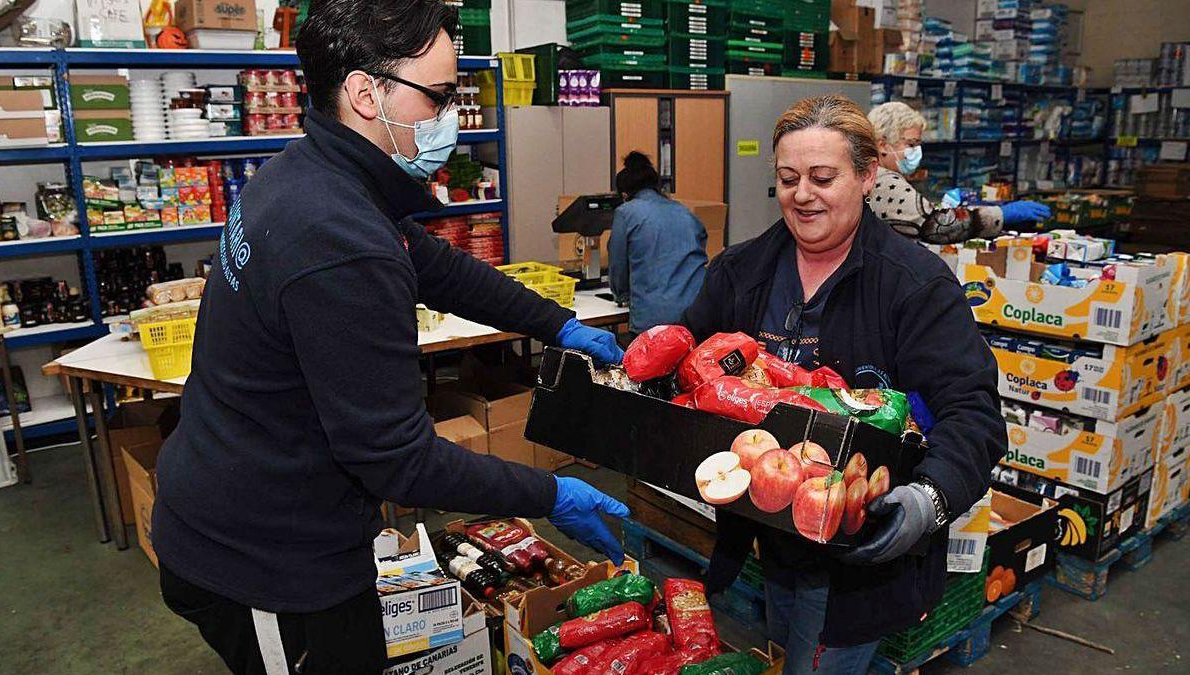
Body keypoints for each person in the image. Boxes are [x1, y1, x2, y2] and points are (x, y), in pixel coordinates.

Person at [152, 2, 628, 673]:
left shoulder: (310, 170)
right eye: (438, 96)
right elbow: (398, 460)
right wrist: (551, 494)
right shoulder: (337, 237)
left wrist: (559, 322)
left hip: (276, 510)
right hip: (260, 557)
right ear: (364, 93)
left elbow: (438, 267)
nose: (450, 118)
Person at [682, 95, 1005, 674]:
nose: (802, 194)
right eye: (788, 178)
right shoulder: (741, 271)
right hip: (768, 527)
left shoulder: (915, 286)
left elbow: (973, 414)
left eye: (823, 177)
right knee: (785, 644)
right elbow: (691, 363)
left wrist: (926, 499)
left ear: (867, 176)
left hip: (862, 547)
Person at [866, 101, 1051, 244]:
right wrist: (1001, 214)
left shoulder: (872, 173)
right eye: (911, 144)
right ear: (882, 145)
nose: (917, 152)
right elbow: (937, 225)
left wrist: (944, 206)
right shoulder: (882, 180)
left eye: (919, 144)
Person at [608, 151, 708, 336]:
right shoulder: (684, 212)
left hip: (653, 322)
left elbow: (618, 266)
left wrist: (621, 295)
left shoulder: (626, 213)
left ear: (624, 194)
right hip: (696, 317)